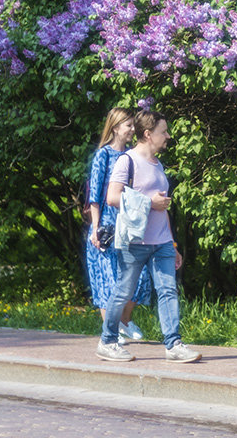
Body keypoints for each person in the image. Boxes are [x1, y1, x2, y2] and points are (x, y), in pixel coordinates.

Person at [95, 109, 201, 363]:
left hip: (161, 242)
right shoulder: (126, 161)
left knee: (167, 291)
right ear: (147, 134)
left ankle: (173, 344)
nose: (167, 136)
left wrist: (173, 243)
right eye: (163, 132)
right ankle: (107, 342)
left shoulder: (158, 164)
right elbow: (111, 197)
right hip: (134, 242)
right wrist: (148, 203)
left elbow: (162, 206)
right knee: (123, 292)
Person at [83, 107, 151, 344]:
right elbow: (94, 194)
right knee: (107, 282)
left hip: (128, 226)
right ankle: (110, 331)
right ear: (115, 128)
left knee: (139, 277)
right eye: (128, 125)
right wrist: (95, 228)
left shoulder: (132, 156)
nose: (133, 130)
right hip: (106, 229)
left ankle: (123, 321)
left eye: (133, 125)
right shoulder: (103, 155)